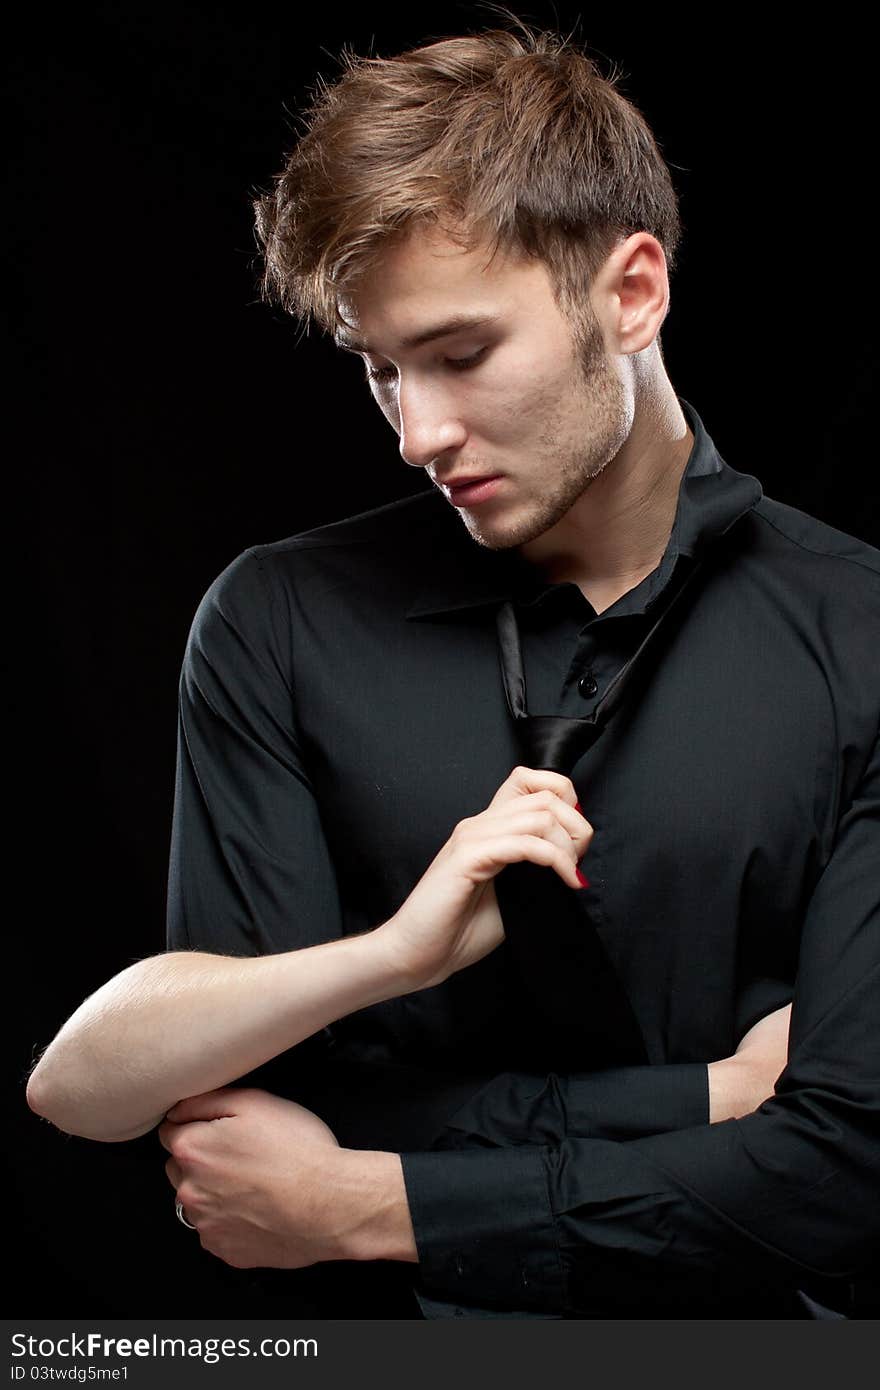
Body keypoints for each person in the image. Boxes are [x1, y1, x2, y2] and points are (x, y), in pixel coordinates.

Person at [26, 19, 879, 1319]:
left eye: (462, 354)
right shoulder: (281, 621)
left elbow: (844, 1169)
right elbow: (247, 1120)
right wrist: (703, 1100)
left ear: (632, 292)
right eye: (380, 370)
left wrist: (366, 1200)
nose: (419, 435)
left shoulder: (864, 628)